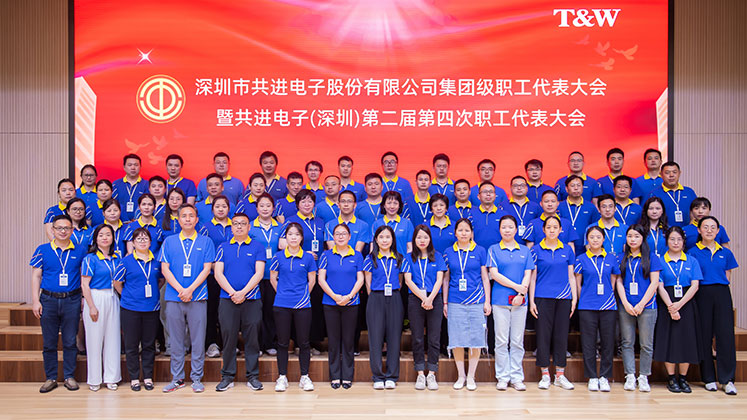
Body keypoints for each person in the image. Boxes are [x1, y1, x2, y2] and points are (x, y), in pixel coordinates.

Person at [158, 204, 216, 393]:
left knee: (198, 340)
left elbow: (207, 269)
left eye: (191, 216)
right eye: (184, 216)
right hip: (174, 297)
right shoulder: (169, 241)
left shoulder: (206, 241)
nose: (188, 219)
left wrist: (190, 289)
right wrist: (180, 289)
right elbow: (165, 268)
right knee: (176, 340)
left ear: (197, 219)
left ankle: (197, 377)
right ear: (178, 219)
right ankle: (177, 378)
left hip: (197, 296)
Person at [30, 214, 87, 393]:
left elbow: (84, 276)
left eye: (66, 228)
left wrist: (84, 298)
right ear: (53, 230)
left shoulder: (80, 250)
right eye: (59, 228)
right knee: (49, 342)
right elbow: (36, 276)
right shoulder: (42, 249)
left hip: (72, 299)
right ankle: (51, 377)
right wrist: (35, 301)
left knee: (70, 341)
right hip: (48, 300)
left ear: (72, 230)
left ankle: (69, 376)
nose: (63, 231)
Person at [214, 212, 266, 392]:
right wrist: (232, 293)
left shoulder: (258, 246)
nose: (239, 227)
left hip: (251, 299)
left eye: (243, 223)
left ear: (249, 227)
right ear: (231, 227)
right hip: (227, 299)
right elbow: (218, 273)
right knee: (228, 338)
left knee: (252, 338)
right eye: (235, 223)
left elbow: (259, 273)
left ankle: (253, 376)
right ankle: (227, 376)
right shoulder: (223, 247)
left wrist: (243, 293)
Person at [688, 216, 739, 395]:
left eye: (713, 227)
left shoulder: (726, 252)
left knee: (725, 335)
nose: (709, 230)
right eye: (705, 227)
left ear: (718, 231)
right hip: (702, 293)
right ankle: (708, 378)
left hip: (722, 293)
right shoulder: (693, 252)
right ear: (699, 230)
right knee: (704, 335)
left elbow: (728, 275)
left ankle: (727, 379)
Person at [529, 216, 577, 390]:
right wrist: (532, 300)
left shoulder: (567, 250)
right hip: (542, 297)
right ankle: (544, 374)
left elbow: (571, 276)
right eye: (548, 227)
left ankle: (560, 375)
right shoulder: (536, 250)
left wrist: (574, 299)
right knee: (543, 335)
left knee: (561, 335)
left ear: (560, 230)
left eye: (555, 227)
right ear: (543, 230)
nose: (552, 230)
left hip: (564, 297)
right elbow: (532, 278)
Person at [487, 215, 534, 391]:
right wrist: (517, 287)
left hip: (520, 301)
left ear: (516, 229)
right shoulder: (493, 249)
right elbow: (494, 274)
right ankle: (502, 377)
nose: (507, 230)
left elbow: (528, 273)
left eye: (510, 227)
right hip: (500, 300)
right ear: (500, 230)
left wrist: (521, 293)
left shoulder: (525, 250)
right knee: (500, 340)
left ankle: (516, 377)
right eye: (504, 227)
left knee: (517, 340)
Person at [443, 218, 490, 391]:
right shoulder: (449, 252)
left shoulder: (480, 251)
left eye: (467, 230)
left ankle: (471, 376)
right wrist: (445, 302)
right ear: (455, 233)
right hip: (455, 300)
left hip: (477, 300)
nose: (463, 233)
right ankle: (461, 375)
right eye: (460, 230)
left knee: (476, 338)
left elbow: (485, 278)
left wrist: (487, 301)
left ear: (472, 233)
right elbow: (446, 279)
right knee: (457, 339)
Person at [270, 223, 318, 392]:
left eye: (297, 234)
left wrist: (302, 295)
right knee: (282, 342)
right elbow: (273, 278)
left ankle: (304, 376)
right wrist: (282, 293)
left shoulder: (308, 258)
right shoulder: (278, 256)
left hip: (303, 305)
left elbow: (312, 280)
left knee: (304, 342)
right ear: (286, 237)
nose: (293, 237)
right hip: (282, 304)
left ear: (301, 238)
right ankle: (282, 376)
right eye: (290, 234)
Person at [113, 227, 162, 392]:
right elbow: (117, 283)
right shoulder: (125, 262)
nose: (142, 241)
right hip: (130, 309)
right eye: (139, 239)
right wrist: (128, 296)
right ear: (133, 243)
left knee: (149, 344)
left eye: (145, 238)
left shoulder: (156, 262)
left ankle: (147, 377)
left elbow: (160, 281)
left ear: (150, 242)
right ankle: (134, 378)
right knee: (132, 345)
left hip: (151, 308)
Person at [654, 226, 702, 393]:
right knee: (669, 340)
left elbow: (695, 285)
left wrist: (679, 304)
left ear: (683, 242)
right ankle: (671, 378)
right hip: (666, 302)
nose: (676, 243)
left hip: (686, 303)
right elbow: (659, 285)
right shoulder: (660, 261)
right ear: (667, 241)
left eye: (679, 239)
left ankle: (683, 378)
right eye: (672, 239)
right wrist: (670, 307)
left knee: (686, 340)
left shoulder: (691, 261)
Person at [318, 224, 365, 389]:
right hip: (330, 303)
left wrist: (349, 296)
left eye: (344, 234)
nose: (340, 237)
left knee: (348, 340)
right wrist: (335, 296)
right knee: (333, 340)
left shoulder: (357, 255)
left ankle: (347, 376)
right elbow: (321, 279)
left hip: (351, 303)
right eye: (337, 234)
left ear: (349, 236)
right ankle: (335, 376)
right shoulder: (326, 255)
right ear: (333, 237)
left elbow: (360, 279)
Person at [363, 225, 410, 390]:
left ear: (393, 240)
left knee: (394, 338)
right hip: (375, 298)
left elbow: (401, 281)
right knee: (375, 339)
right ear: (376, 240)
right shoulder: (370, 258)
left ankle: (391, 376)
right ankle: (377, 376)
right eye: (381, 237)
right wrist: (376, 297)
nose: (384, 240)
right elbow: (367, 282)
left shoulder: (399, 258)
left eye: (388, 237)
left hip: (395, 298)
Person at [617, 224, 662, 393]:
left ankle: (643, 376)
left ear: (643, 238)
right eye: (630, 236)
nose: (633, 239)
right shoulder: (622, 257)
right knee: (627, 342)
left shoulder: (651, 257)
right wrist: (626, 303)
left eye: (636, 236)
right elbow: (619, 281)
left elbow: (654, 283)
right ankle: (630, 375)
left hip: (647, 306)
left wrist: (642, 304)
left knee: (646, 344)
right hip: (626, 306)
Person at [574, 226, 619, 392]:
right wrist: (584, 298)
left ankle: (604, 376)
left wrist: (606, 295)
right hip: (587, 305)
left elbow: (613, 281)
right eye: (592, 237)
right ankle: (592, 376)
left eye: (598, 237)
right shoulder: (581, 259)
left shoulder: (611, 258)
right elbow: (578, 283)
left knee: (608, 342)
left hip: (608, 305)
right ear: (587, 239)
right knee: (588, 342)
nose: (595, 240)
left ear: (603, 239)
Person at [404, 225, 446, 391]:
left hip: (434, 298)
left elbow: (439, 280)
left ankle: (432, 373)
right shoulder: (409, 258)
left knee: (434, 338)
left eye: (425, 237)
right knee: (417, 338)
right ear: (414, 239)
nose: (422, 240)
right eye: (419, 237)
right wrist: (423, 298)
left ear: (430, 239)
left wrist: (430, 298)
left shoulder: (438, 256)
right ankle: (420, 373)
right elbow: (408, 280)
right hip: (416, 299)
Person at [81, 224, 122, 391]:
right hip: (96, 297)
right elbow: (85, 284)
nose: (105, 238)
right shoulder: (90, 259)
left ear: (113, 238)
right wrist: (91, 306)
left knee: (113, 338)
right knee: (94, 339)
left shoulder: (117, 258)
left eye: (108, 234)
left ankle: (111, 378)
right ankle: (94, 379)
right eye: (101, 235)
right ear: (95, 239)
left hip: (113, 297)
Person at [248, 194, 284, 357]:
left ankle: (270, 343)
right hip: (255, 276)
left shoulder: (280, 227)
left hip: (274, 276)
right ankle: (256, 345)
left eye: (268, 205)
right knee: (256, 313)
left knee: (271, 311)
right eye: (261, 205)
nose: (265, 209)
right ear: (256, 208)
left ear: (273, 208)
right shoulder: (250, 227)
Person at [203, 195, 234, 359]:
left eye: (224, 206)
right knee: (212, 310)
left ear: (229, 209)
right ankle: (212, 343)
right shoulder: (206, 228)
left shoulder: (235, 225)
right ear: (212, 209)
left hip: (232, 276)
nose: (221, 209)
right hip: (213, 276)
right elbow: (203, 252)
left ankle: (228, 343)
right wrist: (215, 267)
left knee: (229, 312)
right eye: (217, 206)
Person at [558, 175, 599, 253]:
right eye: (572, 186)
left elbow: (596, 227)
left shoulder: (591, 207)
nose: (576, 188)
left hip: (585, 248)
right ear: (566, 189)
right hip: (563, 247)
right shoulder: (559, 207)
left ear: (583, 188)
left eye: (579, 185)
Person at [649, 161, 697, 227]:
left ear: (679, 173)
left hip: (687, 230)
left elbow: (696, 212)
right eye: (667, 173)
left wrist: (690, 228)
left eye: (674, 172)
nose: (671, 175)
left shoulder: (689, 192)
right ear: (661, 174)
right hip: (665, 231)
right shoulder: (655, 194)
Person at [499, 176, 542, 244]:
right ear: (511, 188)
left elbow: (539, 226)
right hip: (508, 245)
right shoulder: (503, 206)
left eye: (522, 185)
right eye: (515, 186)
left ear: (527, 188)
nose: (519, 188)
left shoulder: (535, 206)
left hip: (530, 245)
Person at [112, 154, 149, 221]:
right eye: (129, 165)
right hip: (119, 222)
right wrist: (125, 220)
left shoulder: (146, 184)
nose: (133, 168)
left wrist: (137, 220)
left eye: (136, 165)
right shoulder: (116, 184)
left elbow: (149, 204)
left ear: (140, 167)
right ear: (124, 167)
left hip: (140, 222)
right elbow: (113, 204)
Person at [470, 182, 505, 250]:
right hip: (476, 252)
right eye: (484, 192)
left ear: (495, 195)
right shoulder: (471, 214)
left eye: (491, 192)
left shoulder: (504, 215)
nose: (488, 194)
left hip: (498, 252)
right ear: (478, 196)